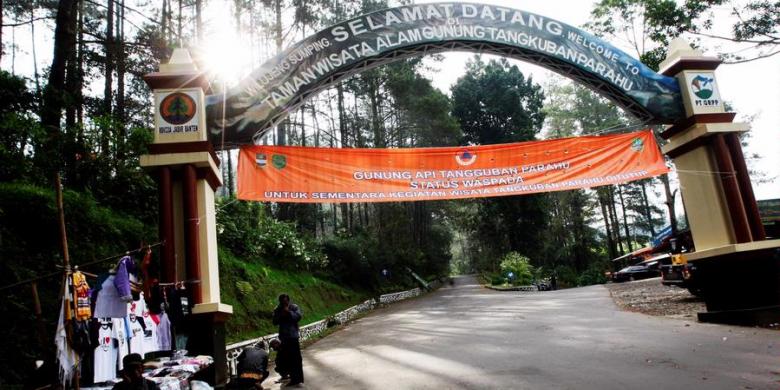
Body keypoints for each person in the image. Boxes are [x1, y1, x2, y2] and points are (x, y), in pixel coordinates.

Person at [272, 294, 304, 386]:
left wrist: (289, 312)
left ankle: (297, 379)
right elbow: (274, 321)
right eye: (282, 302)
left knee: (296, 359)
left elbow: (298, 317)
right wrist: (280, 314)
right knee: (287, 359)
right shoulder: (277, 309)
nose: (284, 303)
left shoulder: (294, 307)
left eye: (285, 301)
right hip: (284, 338)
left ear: (288, 301)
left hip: (293, 337)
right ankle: (291, 377)